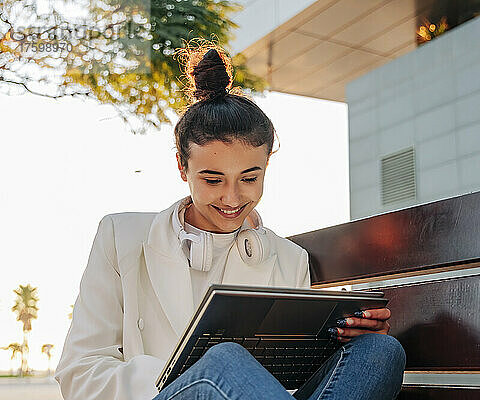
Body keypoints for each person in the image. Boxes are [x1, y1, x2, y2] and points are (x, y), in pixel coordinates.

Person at [55, 39, 405, 400]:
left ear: (267, 166)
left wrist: (345, 338)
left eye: (249, 178)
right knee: (224, 361)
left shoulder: (289, 259)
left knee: (380, 353)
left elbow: (289, 383)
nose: (232, 198)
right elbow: (81, 373)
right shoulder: (121, 236)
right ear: (181, 166)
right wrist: (195, 375)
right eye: (212, 179)